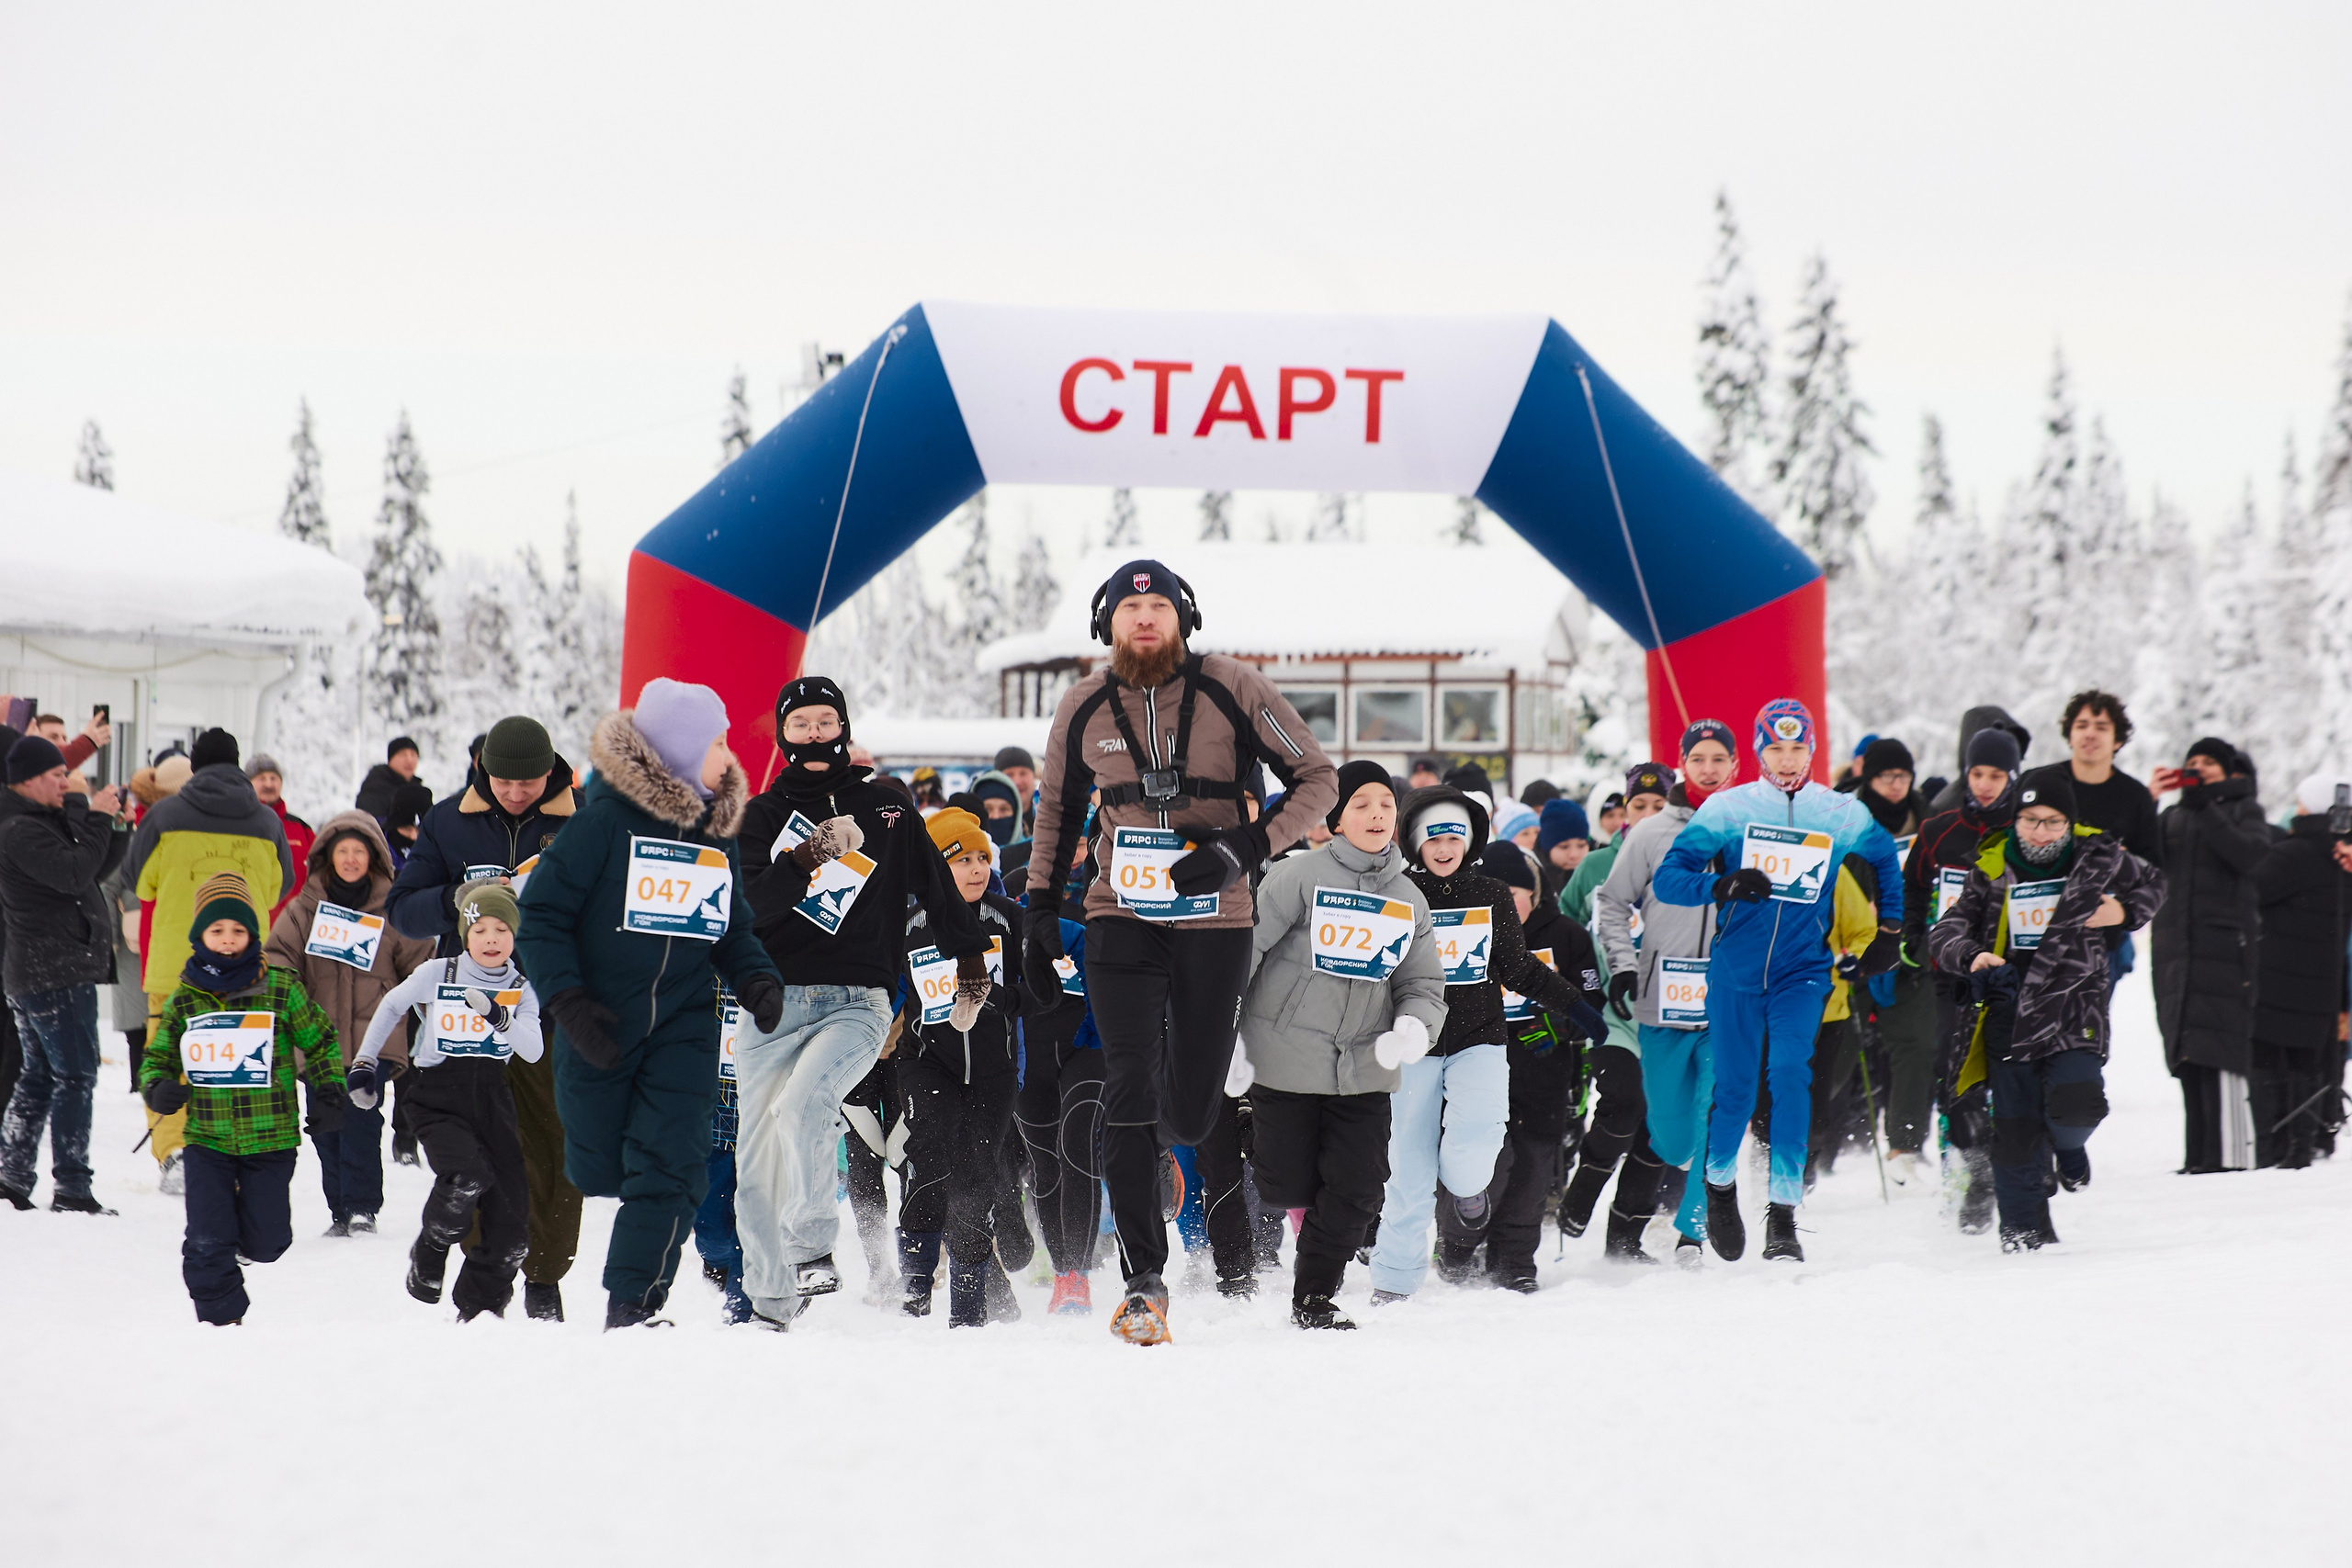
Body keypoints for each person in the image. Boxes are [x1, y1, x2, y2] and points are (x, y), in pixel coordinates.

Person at [1021, 560, 1337, 1344]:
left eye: (1160, 605)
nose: (1146, 619)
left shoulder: (1235, 686)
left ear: (1183, 618)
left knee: (1193, 1112)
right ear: (1108, 626)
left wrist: (1244, 849)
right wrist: (1034, 909)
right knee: (1128, 1084)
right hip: (1118, 916)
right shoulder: (1082, 703)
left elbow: (1318, 779)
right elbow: (1057, 812)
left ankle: (1158, 1143)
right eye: (1132, 611)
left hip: (1216, 916)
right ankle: (1144, 1280)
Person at [514, 681, 785, 1330]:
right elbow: (542, 916)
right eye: (718, 742)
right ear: (682, 751)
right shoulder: (602, 825)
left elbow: (732, 927)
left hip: (684, 1029)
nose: (730, 756)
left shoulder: (712, 838)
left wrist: (756, 981)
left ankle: (632, 1304)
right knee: (598, 1164)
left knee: (674, 1166)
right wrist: (570, 1002)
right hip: (600, 1023)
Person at [730, 676, 985, 1330]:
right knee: (758, 1158)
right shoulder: (761, 815)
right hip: (772, 1001)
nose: (814, 735)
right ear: (783, 734)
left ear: (843, 726)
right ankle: (770, 1302)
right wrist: (809, 856)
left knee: (808, 1102)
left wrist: (971, 963)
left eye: (825, 721)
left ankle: (813, 1245)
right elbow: (748, 908)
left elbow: (936, 887)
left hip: (858, 1000)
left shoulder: (888, 809)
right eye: (800, 724)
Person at [1653, 699, 1903, 1262]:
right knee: (1736, 1091)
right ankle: (1719, 1187)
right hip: (1735, 971)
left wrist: (1889, 932)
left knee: (1791, 1075)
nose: (1788, 761)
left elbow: (1886, 858)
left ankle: (1783, 1216)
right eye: (1775, 748)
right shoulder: (1727, 808)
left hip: (1802, 971)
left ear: (1812, 749)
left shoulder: (1837, 811)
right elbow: (1670, 880)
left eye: (1798, 748)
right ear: (1760, 751)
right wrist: (1720, 887)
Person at [1235, 761, 1446, 1326]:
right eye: (1362, 804)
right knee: (1286, 1183)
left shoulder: (1409, 898)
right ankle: (1245, 1125)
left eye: (1385, 803)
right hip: (1284, 1060)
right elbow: (1243, 954)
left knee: (1356, 1188)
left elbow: (1423, 983)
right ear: (1335, 817)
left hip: (1366, 1064)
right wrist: (1225, 1037)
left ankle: (1314, 1296)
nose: (1377, 814)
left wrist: (1413, 1028)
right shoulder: (1297, 877)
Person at [1372, 784, 1601, 1303]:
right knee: (1407, 1168)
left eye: (1456, 835)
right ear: (1414, 841)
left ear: (1471, 839)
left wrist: (1577, 1004)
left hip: (1480, 1037)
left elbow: (1518, 969)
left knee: (1478, 1137)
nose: (1446, 846)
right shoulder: (1397, 892)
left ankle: (1467, 1186)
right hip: (1414, 1042)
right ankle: (1393, 1281)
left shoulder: (1493, 894)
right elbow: (1372, 972)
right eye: (1434, 838)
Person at [386, 715, 582, 1319]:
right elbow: (404, 912)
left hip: (552, 1007)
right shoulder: (450, 821)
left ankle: (545, 1278)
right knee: (480, 1148)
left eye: (529, 783)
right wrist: (459, 899)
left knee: (552, 1146)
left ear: (551, 774)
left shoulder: (587, 820)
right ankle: (484, 1280)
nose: (517, 793)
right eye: (503, 781)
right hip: (469, 1014)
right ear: (482, 770)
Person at [1928, 764, 2165, 1249]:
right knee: (2015, 1131)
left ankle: (2069, 1148)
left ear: (2069, 822)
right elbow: (1945, 932)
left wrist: (2123, 912)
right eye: (2030, 819)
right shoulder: (1991, 868)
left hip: (2074, 1005)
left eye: (2053, 821)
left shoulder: (2097, 858)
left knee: (2077, 1105)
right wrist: (1973, 955)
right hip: (2008, 1011)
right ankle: (2023, 1236)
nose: (2041, 831)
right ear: (2014, 820)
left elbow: (2155, 883)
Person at [140, 872, 343, 1323]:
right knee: (208, 1239)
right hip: (207, 1140)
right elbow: (157, 1056)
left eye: (238, 931)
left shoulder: (280, 989)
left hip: (269, 1139)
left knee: (268, 1243)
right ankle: (220, 1321)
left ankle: (240, 1240)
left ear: (254, 935)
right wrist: (157, 1086)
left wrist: (329, 1089)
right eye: (217, 931)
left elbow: (322, 1041)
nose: (228, 940)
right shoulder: (185, 1000)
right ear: (200, 936)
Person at [346, 883, 543, 1319]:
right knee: (466, 1176)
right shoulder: (440, 972)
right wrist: (364, 1063)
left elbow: (533, 1049)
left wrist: (498, 1016)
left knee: (513, 1228)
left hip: (494, 1100)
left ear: (514, 935)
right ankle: (432, 1247)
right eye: (480, 930)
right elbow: (392, 1005)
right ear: (465, 935)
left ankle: (480, 1311)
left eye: (501, 930)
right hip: (438, 1097)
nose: (491, 939)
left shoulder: (519, 988)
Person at [123, 728, 292, 1195]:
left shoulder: (163, 815)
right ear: (239, 766)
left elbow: (139, 881)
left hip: (176, 963)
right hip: (244, 964)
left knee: (167, 1058)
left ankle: (176, 1154)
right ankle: (233, 1150)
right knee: (238, 1057)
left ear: (194, 766)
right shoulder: (267, 822)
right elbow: (279, 890)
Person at [1596, 721, 1737, 1261]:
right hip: (1663, 1000)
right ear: (1682, 762)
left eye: (1717, 760)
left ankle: (1693, 1232)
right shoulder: (1652, 834)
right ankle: (1683, 1177)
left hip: (1729, 1000)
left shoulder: (1749, 830)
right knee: (1672, 1136)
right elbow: (1612, 903)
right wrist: (1625, 965)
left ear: (1733, 766)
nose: (1707, 768)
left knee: (1715, 1113)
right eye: (1697, 758)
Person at [262, 811, 435, 1235]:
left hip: (372, 1040)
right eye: (344, 851)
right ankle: (339, 1208)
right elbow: (278, 958)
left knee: (361, 1120)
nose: (352, 859)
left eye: (360, 851)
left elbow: (420, 962)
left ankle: (362, 1207)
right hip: (317, 1038)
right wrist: (292, 996)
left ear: (374, 857)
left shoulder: (392, 908)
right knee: (325, 1126)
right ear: (328, 856)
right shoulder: (304, 908)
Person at [890, 807, 1032, 1325]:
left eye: (981, 858)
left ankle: (968, 1306)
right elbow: (888, 994)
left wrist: (1000, 997)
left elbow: (1042, 992)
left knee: (975, 1176)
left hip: (994, 1073)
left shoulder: (1008, 920)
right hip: (927, 1064)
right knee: (928, 1158)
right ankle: (917, 1277)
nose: (975, 869)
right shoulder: (907, 926)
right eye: (960, 860)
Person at [1470, 840, 1611, 1279]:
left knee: (1533, 1168)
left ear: (1533, 893)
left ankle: (1514, 1261)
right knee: (1482, 1164)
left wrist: (1558, 1026)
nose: (1507, 904)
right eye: (1496, 894)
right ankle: (1462, 1247)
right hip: (1476, 1070)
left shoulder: (1566, 934)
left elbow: (1591, 998)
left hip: (1544, 1073)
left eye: (1515, 894)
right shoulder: (1464, 933)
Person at [0, 735, 130, 1213]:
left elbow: (90, 868)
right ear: (29, 780)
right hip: (52, 970)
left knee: (39, 1075)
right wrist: (94, 816)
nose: (65, 782)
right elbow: (75, 875)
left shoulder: (36, 821)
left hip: (41, 969)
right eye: (57, 775)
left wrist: (114, 828)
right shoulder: (19, 828)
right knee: (74, 1075)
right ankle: (72, 1188)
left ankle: (11, 1179)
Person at [1901, 725, 2023, 1231]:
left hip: (2010, 975)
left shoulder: (2026, 828)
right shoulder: (1938, 830)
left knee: (2009, 1077)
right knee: (1954, 1081)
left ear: (2012, 777)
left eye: (1997, 775)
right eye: (1978, 773)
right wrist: (1911, 938)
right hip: (1949, 973)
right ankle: (1968, 1179)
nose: (1987, 784)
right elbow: (1912, 889)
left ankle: (2011, 1174)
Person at [1553, 762, 1676, 1254]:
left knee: (1661, 1127)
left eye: (1658, 807)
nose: (1647, 815)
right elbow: (1564, 926)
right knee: (1623, 1104)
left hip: (1674, 1015)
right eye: (1637, 807)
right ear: (1622, 813)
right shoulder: (1597, 866)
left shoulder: (1691, 858)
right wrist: (1580, 983)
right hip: (1612, 1012)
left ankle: (1626, 1237)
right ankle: (1583, 1191)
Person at [2149, 738, 2269, 1173]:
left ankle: (2229, 1158)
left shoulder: (2244, 811)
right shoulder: (2171, 817)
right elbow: (2141, 861)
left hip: (2224, 950)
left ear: (2227, 772)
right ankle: (2197, 1155)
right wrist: (2150, 801)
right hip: (2175, 953)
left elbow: (2250, 855)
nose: (2198, 768)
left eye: (2209, 763)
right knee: (2188, 1055)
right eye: (2191, 761)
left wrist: (2207, 807)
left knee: (2219, 1053)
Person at [1014, 840, 1107, 1315]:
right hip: (1030, 1054)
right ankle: (1063, 1272)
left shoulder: (1089, 909)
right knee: (1045, 1164)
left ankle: (1080, 1276)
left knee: (1077, 1145)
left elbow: (1110, 976)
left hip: (1086, 1046)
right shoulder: (1006, 910)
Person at [1849, 738, 1939, 1182]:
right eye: (1886, 777)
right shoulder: (1845, 816)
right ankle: (1811, 1149)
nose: (1895, 785)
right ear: (1869, 779)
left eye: (1902, 776)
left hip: (1910, 947)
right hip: (1850, 945)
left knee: (1915, 1045)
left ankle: (1904, 1145)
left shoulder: (1928, 820)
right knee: (1837, 1054)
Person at [2250, 773, 2352, 1166]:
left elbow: (2254, 891)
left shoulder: (2292, 853)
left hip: (2277, 977)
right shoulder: (2342, 855)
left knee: (2267, 1059)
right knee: (2309, 1061)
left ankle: (2271, 1145)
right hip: (2325, 982)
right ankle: (2306, 1141)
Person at [2055, 690, 2162, 991]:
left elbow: (2155, 875)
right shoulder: (2042, 785)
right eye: (2082, 725)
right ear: (2069, 733)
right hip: (2035, 939)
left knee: (2086, 1038)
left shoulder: (2135, 796)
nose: (2090, 733)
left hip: (2102, 944)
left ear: (2117, 740)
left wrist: (2126, 912)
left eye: (2101, 727)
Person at [243, 754, 314, 917]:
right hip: (251, 924)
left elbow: (319, 875)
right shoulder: (239, 825)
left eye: (273, 778)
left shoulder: (302, 829)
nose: (268, 784)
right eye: (261, 778)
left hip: (294, 926)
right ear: (248, 783)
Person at [1928, 705, 2030, 812]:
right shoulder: (1947, 811)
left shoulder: (2027, 806)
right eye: (1977, 774)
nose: (1984, 786)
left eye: (1996, 776)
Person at [1535, 796, 1590, 910]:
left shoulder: (1596, 874)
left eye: (1581, 845)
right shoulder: (1534, 879)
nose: (1574, 854)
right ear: (1547, 847)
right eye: (1564, 847)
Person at [356, 736, 424, 823]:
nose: (409, 760)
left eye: (413, 755)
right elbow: (370, 823)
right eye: (402, 755)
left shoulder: (418, 791)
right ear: (390, 760)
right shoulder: (375, 785)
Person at [992, 746, 1038, 839]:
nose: (1017, 781)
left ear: (1033, 776)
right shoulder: (989, 821)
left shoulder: (1050, 816)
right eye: (1009, 774)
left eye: (1023, 773)